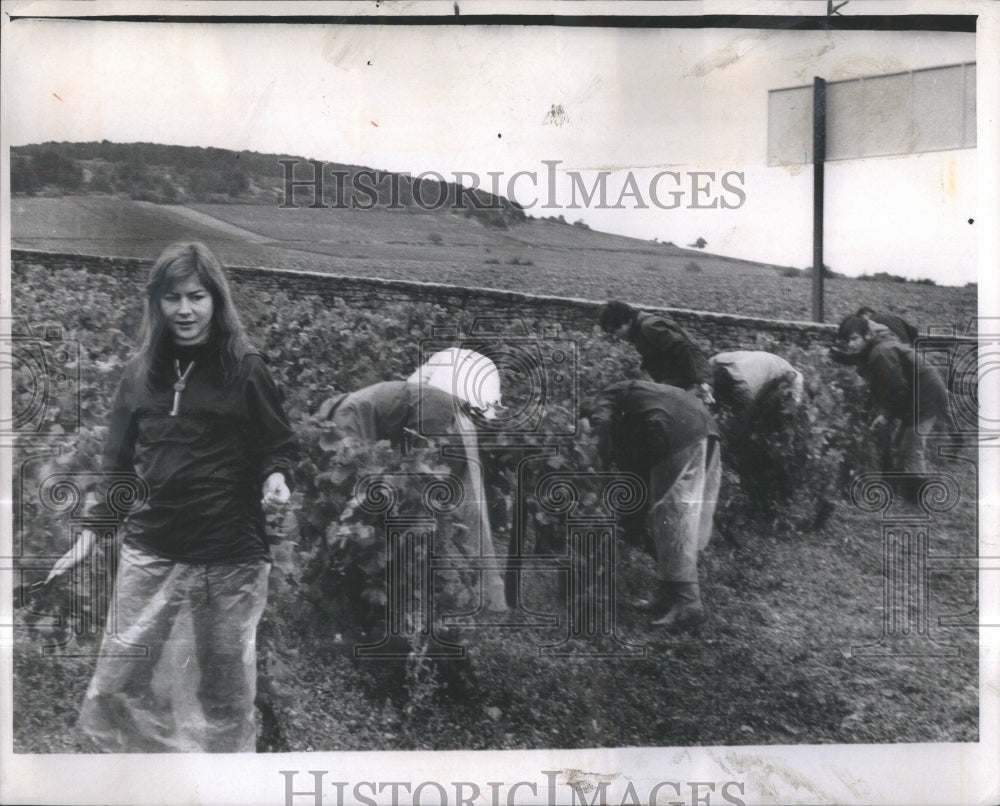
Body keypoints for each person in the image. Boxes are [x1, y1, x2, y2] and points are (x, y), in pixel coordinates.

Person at [77, 242, 298, 753]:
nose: (185, 310)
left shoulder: (245, 368)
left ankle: (223, 775)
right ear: (156, 304)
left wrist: (276, 477)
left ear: (216, 299)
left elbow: (277, 444)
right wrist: (96, 529)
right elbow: (118, 462)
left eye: (196, 296)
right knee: (125, 669)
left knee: (224, 677)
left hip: (229, 554)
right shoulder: (139, 372)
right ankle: (135, 773)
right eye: (172, 297)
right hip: (151, 546)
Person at [316, 376, 507, 613]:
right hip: (456, 417)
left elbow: (361, 465)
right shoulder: (359, 400)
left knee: (426, 513)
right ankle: (490, 593)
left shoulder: (344, 415)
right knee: (468, 507)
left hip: (437, 421)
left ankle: (435, 592)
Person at [586, 380, 721, 630]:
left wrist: (601, 468)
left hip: (677, 433)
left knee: (673, 518)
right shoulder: (634, 403)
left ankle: (689, 604)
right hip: (700, 425)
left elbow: (603, 427)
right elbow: (635, 470)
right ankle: (666, 596)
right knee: (673, 515)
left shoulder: (602, 400)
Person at [830, 313, 949, 499]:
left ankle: (917, 498)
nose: (851, 345)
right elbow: (875, 373)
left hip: (926, 397)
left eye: (854, 339)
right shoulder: (873, 349)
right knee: (900, 445)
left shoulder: (881, 352)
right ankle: (906, 490)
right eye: (847, 341)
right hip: (916, 397)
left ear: (867, 335)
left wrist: (886, 415)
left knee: (912, 447)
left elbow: (896, 388)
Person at [598, 300, 713, 402]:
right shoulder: (638, 331)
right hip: (682, 380)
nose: (616, 336)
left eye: (614, 331)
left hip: (697, 379)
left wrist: (690, 387)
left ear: (625, 320)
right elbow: (656, 355)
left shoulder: (648, 327)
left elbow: (682, 349)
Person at [709, 350, 804, 413]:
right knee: (744, 411)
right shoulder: (785, 369)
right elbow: (795, 378)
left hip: (727, 366)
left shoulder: (778, 365)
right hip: (744, 380)